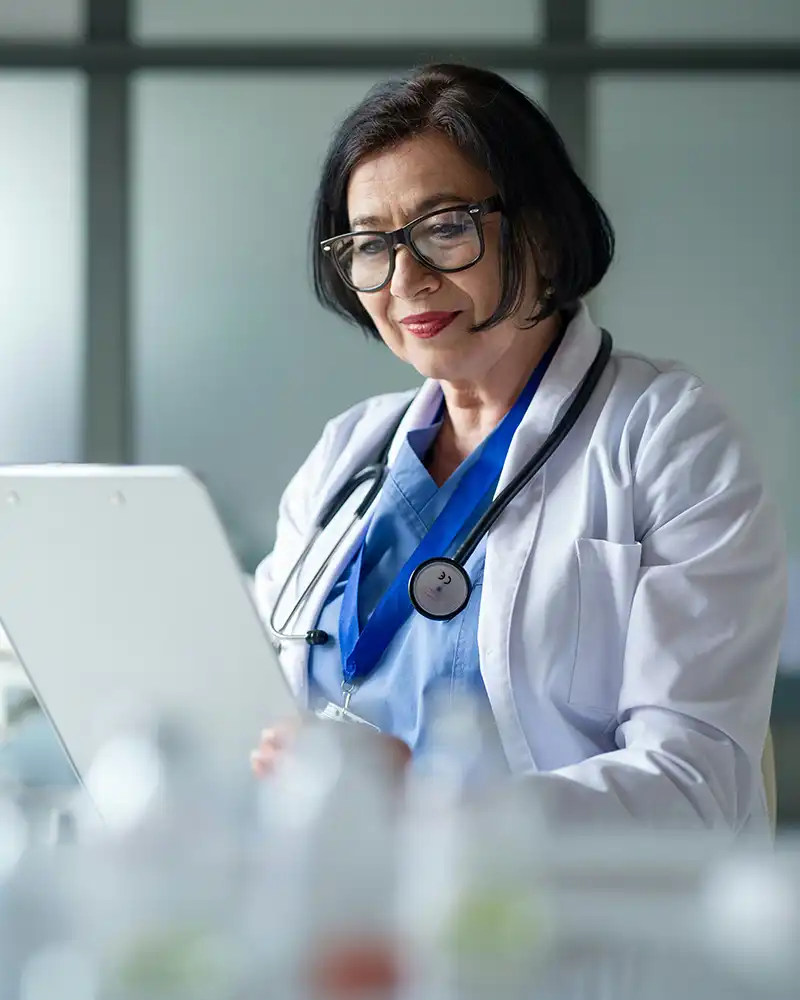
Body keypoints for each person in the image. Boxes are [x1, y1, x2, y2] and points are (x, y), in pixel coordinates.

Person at [251, 63, 787, 833]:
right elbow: (260, 703)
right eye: (371, 246)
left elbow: (695, 784)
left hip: (571, 933)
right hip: (350, 920)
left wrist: (439, 810)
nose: (405, 280)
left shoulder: (667, 436)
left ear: (538, 228)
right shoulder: (347, 452)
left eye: (444, 228)